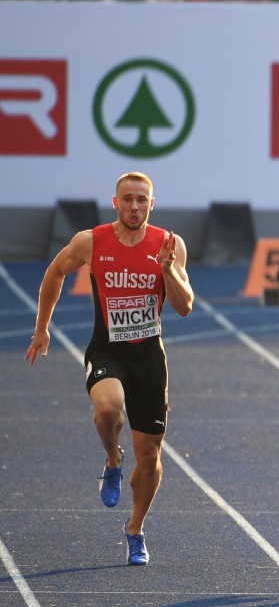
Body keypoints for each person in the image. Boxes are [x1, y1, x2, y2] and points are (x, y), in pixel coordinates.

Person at [25, 172, 194, 566]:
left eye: (141, 200)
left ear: (152, 204)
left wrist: (168, 269)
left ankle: (135, 529)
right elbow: (55, 272)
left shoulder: (169, 245)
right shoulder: (91, 241)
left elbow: (185, 306)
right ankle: (113, 461)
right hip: (107, 351)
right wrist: (41, 328)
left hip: (149, 359)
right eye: (127, 199)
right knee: (108, 407)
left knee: (149, 459)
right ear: (115, 203)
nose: (134, 206)